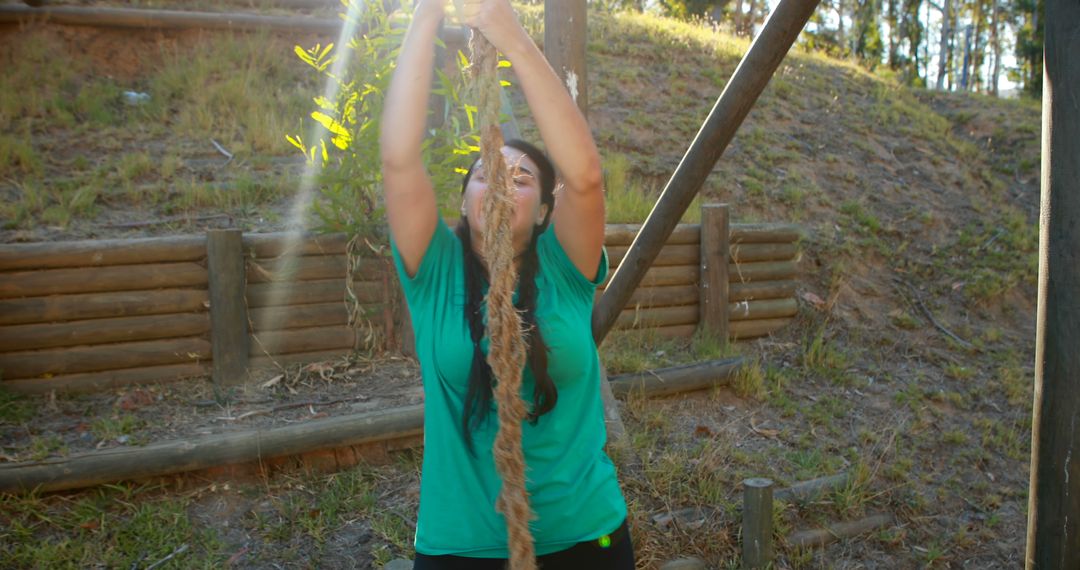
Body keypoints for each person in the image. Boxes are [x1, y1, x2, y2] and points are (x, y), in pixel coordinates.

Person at [379, 0, 634, 568]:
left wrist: (510, 34)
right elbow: (399, 160)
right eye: (483, 173)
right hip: (461, 546)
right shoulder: (434, 267)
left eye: (520, 178)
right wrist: (426, 16)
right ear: (462, 202)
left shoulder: (565, 266)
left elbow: (585, 176)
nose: (499, 178)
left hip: (584, 537)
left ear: (545, 210)